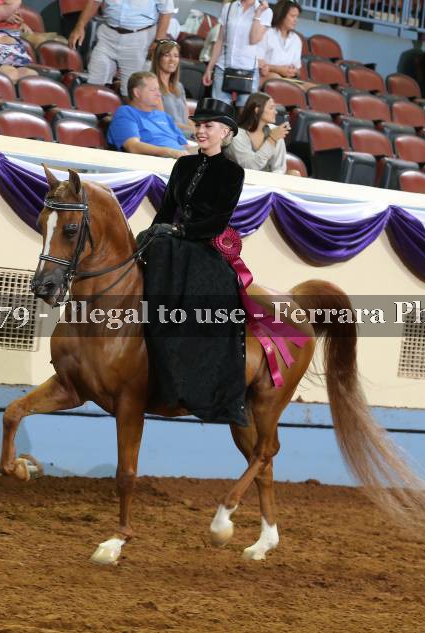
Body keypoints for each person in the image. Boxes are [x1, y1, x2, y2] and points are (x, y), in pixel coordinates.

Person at [137, 97, 247, 425]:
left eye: (208, 125)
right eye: (198, 125)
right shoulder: (182, 165)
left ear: (225, 132)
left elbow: (217, 221)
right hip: (170, 240)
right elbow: (166, 209)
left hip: (201, 245)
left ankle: (184, 378)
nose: (201, 130)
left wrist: (179, 231)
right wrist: (154, 232)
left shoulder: (232, 172)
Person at [68, 0, 176, 98]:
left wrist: (158, 41)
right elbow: (94, 2)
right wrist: (79, 26)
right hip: (108, 34)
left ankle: (124, 113)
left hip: (139, 38)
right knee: (94, 80)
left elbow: (166, 12)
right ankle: (94, 111)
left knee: (130, 90)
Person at [203, 0, 273, 107]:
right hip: (223, 67)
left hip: (249, 71)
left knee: (246, 113)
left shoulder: (266, 11)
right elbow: (220, 40)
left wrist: (258, 13)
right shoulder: (228, 7)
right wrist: (209, 68)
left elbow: (254, 39)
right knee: (219, 111)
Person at [107, 71, 189, 157]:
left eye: (158, 89)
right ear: (137, 93)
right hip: (159, 160)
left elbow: (185, 147)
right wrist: (170, 152)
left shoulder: (164, 116)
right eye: (153, 90)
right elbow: (133, 146)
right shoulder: (126, 113)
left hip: (180, 159)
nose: (159, 94)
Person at [224, 92, 297, 176]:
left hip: (270, 180)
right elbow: (250, 167)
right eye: (271, 108)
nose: (276, 112)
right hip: (243, 179)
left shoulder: (275, 130)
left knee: (294, 174)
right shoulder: (237, 135)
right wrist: (271, 139)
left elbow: (279, 168)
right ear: (257, 110)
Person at [258, 0, 308, 87]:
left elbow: (298, 69)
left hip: (289, 79)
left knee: (313, 88)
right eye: (292, 16)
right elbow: (258, 63)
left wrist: (294, 71)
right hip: (267, 76)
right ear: (281, 15)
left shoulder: (296, 40)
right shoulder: (267, 33)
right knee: (277, 79)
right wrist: (279, 69)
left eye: (297, 17)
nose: (296, 20)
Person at [150, 39, 194, 138]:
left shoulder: (179, 86)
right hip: (169, 135)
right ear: (158, 58)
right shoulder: (153, 86)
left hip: (186, 134)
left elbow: (187, 119)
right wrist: (194, 131)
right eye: (167, 55)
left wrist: (200, 128)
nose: (172, 60)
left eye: (176, 56)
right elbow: (162, 122)